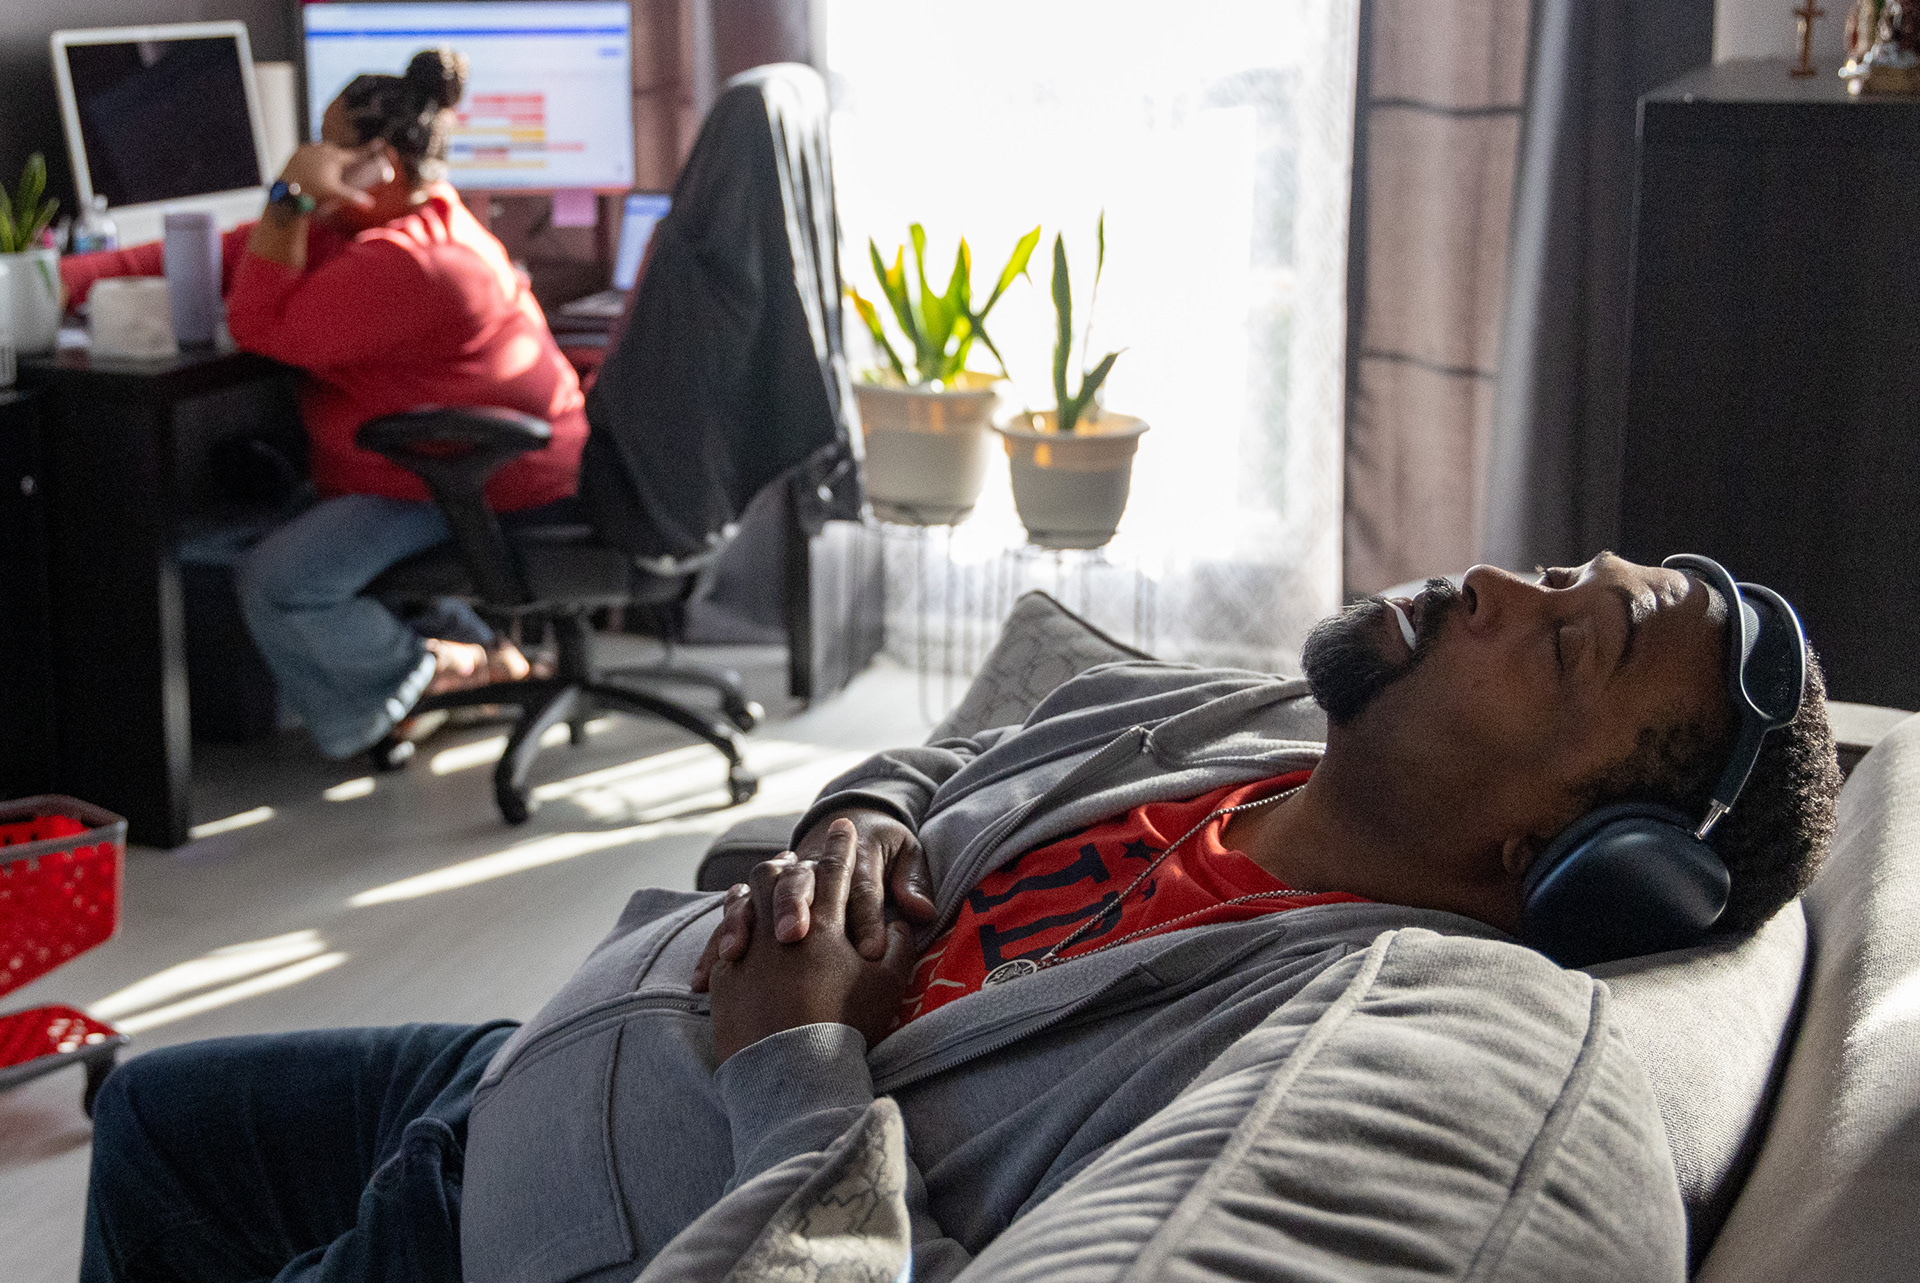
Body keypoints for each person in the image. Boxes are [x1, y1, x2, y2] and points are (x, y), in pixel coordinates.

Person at [78, 553, 1842, 1283]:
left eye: (1564, 639)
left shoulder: (1311, 1020)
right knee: (149, 1114)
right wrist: (861, 806)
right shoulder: (1241, 729)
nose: (1496, 579)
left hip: (488, 1240)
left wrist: (801, 1063)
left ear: (1573, 855)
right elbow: (961, 746)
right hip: (501, 1065)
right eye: (1560, 564)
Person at [59, 49, 589, 759]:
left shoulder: (414, 261)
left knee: (278, 583)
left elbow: (259, 325)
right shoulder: (366, 231)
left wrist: (289, 198)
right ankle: (465, 653)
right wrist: (47, 279)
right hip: (432, 462)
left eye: (326, 147)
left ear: (380, 167)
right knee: (259, 522)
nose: (306, 157)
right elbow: (215, 254)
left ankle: (433, 672)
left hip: (475, 477)